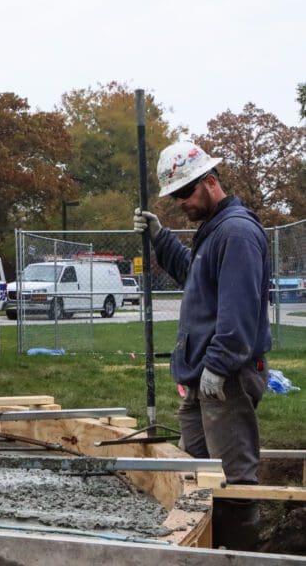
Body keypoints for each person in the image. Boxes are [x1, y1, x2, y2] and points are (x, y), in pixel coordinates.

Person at [133, 140, 271, 551]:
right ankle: (204, 550)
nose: (181, 203)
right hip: (201, 379)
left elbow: (239, 312)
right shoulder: (213, 233)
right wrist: (160, 237)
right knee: (193, 475)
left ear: (210, 182)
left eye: (184, 193)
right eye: (175, 196)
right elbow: (194, 277)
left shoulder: (237, 233)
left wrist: (219, 364)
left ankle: (240, 556)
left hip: (224, 379)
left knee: (232, 479)